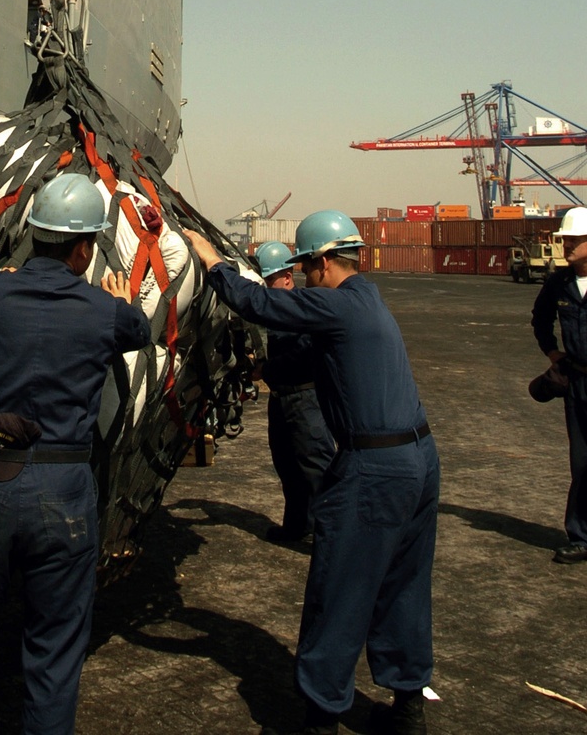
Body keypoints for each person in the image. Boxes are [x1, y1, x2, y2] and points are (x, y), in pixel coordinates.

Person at [0, 172, 150, 735]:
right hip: (63, 494)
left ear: (34, 233)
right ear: (85, 247)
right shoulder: (103, 311)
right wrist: (116, 298)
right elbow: (140, 328)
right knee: (53, 651)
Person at [186, 212, 439, 735]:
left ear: (322, 262)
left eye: (305, 268)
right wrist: (264, 373)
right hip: (419, 458)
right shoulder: (367, 300)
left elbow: (258, 303)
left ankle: (321, 716)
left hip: (374, 469)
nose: (303, 276)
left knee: (340, 588)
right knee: (403, 585)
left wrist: (213, 264)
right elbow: (313, 361)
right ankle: (408, 706)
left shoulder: (334, 303)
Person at [252, 240, 335, 546]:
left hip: (306, 400)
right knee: (287, 467)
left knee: (316, 470)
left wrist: (265, 370)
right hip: (282, 400)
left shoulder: (304, 309)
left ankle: (327, 538)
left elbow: (304, 354)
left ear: (287, 277)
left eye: (268, 281)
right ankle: (297, 527)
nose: (264, 288)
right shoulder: (272, 311)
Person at [531, 204, 587, 564]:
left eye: (572, 240)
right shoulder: (558, 283)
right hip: (579, 382)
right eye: (564, 240)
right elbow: (540, 320)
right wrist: (553, 353)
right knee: (581, 462)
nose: (565, 247)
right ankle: (580, 536)